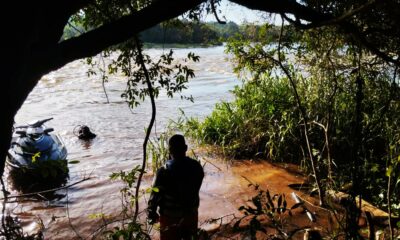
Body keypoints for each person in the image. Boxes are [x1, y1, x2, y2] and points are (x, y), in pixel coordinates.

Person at [147, 134, 204, 240]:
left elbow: (154, 198)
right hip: (191, 214)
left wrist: (151, 213)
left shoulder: (163, 171)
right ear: (185, 148)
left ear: (169, 150)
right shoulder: (197, 166)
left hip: (170, 217)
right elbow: (195, 189)